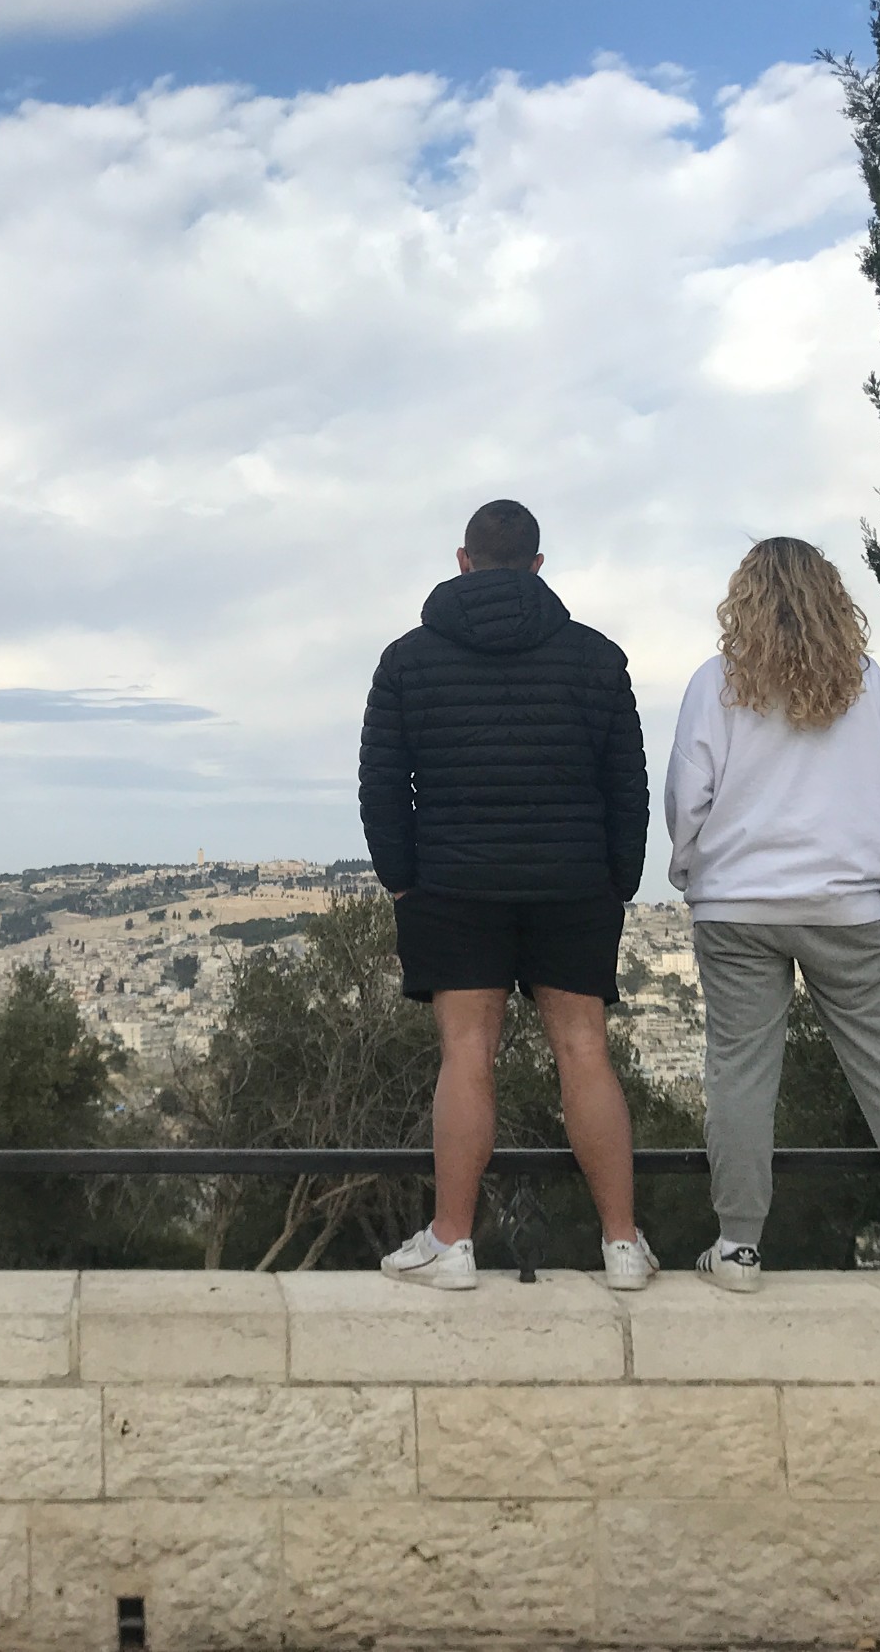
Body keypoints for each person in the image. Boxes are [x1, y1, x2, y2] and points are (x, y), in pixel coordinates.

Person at [665, 537, 880, 1294]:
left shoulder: (717, 684)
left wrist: (695, 871)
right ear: (832, 597)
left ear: (744, 598)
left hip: (737, 904)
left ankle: (738, 1247)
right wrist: (867, 872)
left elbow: (687, 799)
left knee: (740, 1072)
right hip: (846, 905)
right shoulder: (868, 687)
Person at [360, 499, 657, 1291]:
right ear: (537, 566)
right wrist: (619, 880)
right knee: (584, 1049)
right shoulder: (598, 659)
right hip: (573, 883)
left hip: (454, 882)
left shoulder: (406, 660)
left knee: (466, 1053)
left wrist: (401, 878)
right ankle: (622, 1244)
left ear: (463, 561)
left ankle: (452, 1241)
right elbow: (627, 785)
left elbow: (384, 787)